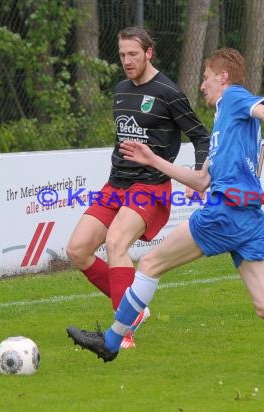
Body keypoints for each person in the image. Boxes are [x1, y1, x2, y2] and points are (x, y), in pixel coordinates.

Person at [66, 48, 264, 373]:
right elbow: (200, 181)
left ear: (222, 78)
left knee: (150, 263)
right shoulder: (224, 126)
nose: (202, 86)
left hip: (227, 210)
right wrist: (153, 159)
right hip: (249, 217)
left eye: (206, 78)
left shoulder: (234, 99)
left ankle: (111, 343)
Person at [65, 26, 210, 349]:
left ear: (149, 53)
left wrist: (200, 176)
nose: (127, 61)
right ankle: (135, 309)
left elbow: (201, 136)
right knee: (77, 250)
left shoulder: (168, 92)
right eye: (122, 55)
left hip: (151, 186)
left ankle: (122, 330)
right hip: (116, 184)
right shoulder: (120, 89)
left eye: (133, 54)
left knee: (116, 242)